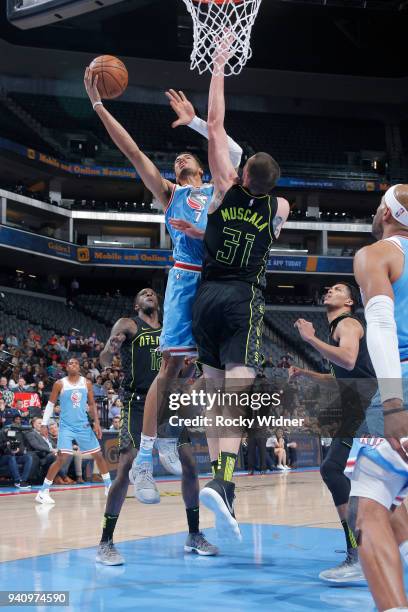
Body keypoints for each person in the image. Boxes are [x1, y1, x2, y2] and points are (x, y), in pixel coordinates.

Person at [83, 69, 243, 501]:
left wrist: (195, 120)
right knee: (170, 368)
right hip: (186, 281)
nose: (179, 161)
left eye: (185, 157)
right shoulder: (170, 192)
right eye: (176, 161)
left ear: (199, 163)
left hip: (217, 287)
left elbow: (232, 148)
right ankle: (147, 459)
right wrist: (99, 106)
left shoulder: (217, 189)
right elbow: (133, 152)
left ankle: (179, 441)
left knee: (211, 377)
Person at [189, 37, 290, 541]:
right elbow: (274, 202)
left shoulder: (222, 190)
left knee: (212, 398)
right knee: (237, 395)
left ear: (242, 172)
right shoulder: (279, 209)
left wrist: (220, 65)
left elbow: (214, 122)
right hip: (242, 298)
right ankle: (223, 478)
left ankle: (223, 492)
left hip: (203, 297)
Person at [95, 288, 217, 565]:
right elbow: (106, 353)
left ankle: (194, 534)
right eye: (143, 293)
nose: (149, 293)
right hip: (137, 404)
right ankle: (106, 542)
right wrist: (108, 358)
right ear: (136, 303)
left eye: (152, 292)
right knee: (125, 469)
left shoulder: (172, 332)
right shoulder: (128, 324)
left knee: (189, 464)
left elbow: (185, 373)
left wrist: (190, 367)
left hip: (170, 403)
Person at [346, 184, 408, 611]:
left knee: (366, 508)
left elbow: (383, 327)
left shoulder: (377, 254)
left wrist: (392, 402)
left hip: (398, 381)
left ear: (387, 212)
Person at [291, 282, 377, 582]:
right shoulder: (340, 329)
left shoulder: (348, 323)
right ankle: (364, 550)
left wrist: (311, 338)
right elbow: (341, 373)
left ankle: (358, 555)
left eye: (338, 289)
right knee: (351, 474)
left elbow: (349, 360)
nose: (329, 290)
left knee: (333, 469)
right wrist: (306, 374)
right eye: (328, 289)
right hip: (361, 400)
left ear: (350, 301)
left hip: (367, 403)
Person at [35, 357, 111, 504]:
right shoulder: (59, 384)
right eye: (70, 363)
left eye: (76, 363)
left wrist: (96, 422)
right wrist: (44, 424)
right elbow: (50, 405)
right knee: (62, 458)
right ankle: (43, 491)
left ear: (79, 367)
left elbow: (92, 403)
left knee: (98, 455)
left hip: (83, 425)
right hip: (66, 427)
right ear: (66, 367)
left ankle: (108, 486)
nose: (73, 365)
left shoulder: (86, 382)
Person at [0, 423, 32, 489]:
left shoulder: (7, 433)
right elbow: (3, 446)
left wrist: (15, 449)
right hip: (3, 457)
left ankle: (23, 480)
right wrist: (6, 444)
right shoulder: (2, 433)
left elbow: (12, 444)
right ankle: (17, 481)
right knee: (10, 457)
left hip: (10, 455)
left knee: (28, 457)